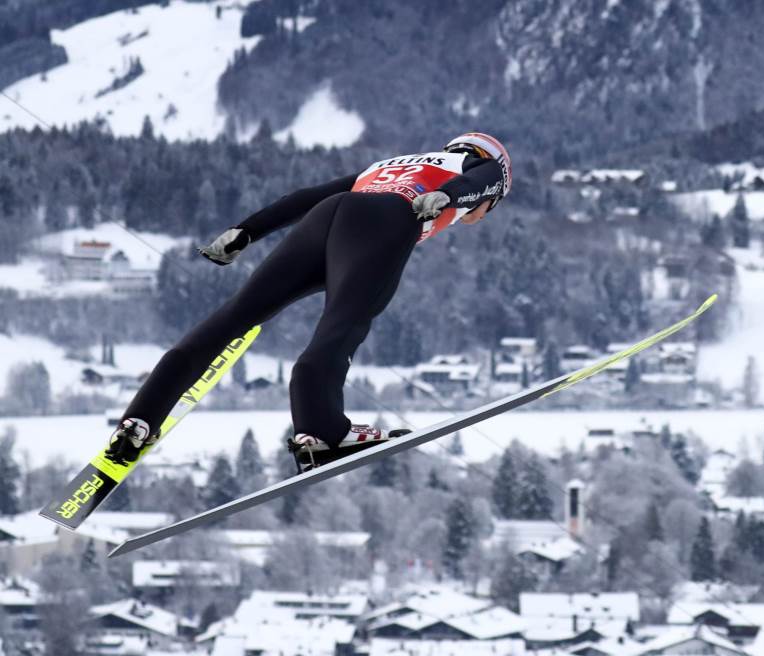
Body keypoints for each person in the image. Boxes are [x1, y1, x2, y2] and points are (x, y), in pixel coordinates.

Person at [106, 132, 511, 472]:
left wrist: (246, 231)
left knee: (233, 317)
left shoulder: (391, 164)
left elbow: (307, 197)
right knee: (344, 322)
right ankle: (321, 430)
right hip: (384, 222)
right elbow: (488, 178)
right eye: (493, 207)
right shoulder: (470, 169)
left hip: (325, 218)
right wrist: (449, 196)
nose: (483, 214)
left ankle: (139, 419)